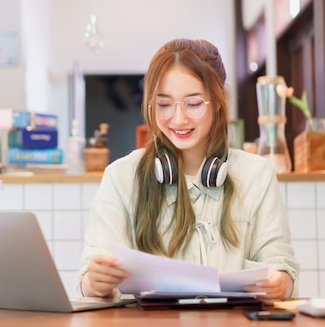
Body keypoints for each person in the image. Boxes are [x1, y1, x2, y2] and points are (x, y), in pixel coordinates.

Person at [77, 38, 299, 302]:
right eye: (164, 104)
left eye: (193, 104)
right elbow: (88, 282)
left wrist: (280, 282)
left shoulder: (257, 174)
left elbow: (281, 267)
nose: (179, 119)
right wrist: (96, 282)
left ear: (217, 101)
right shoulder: (120, 177)